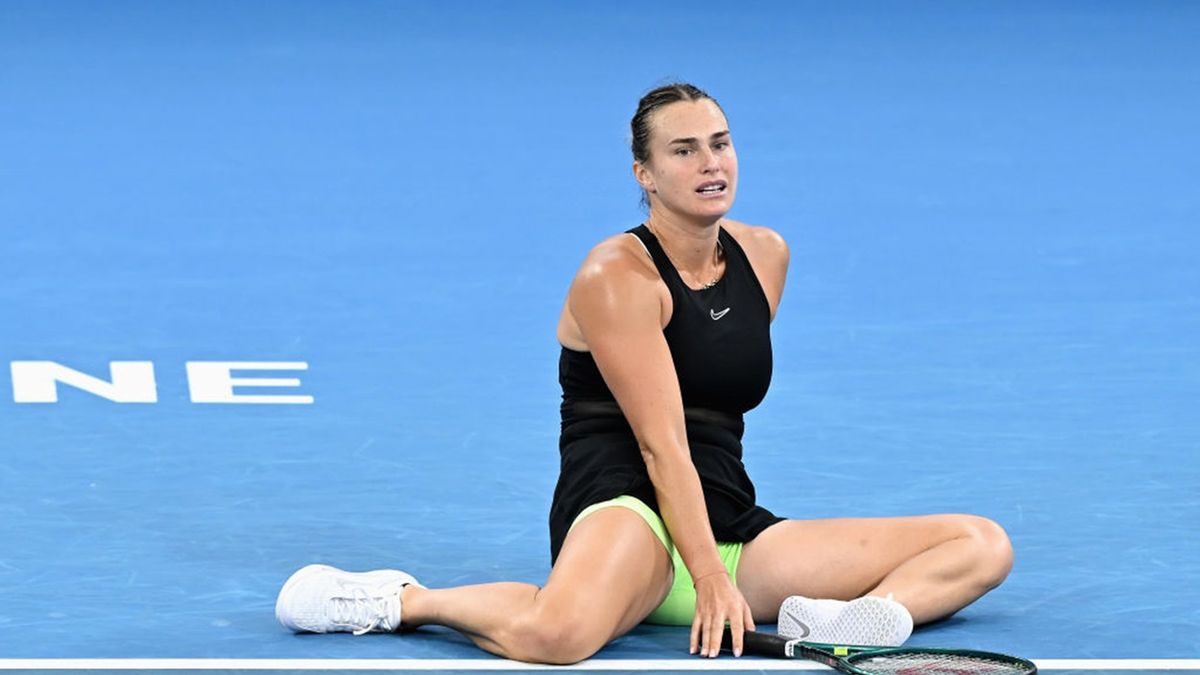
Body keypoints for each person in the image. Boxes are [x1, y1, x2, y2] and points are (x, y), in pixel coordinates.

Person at [274, 83, 1015, 664]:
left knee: (980, 543)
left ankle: (854, 621)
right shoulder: (615, 276)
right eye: (684, 151)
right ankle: (403, 599)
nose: (710, 164)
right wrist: (711, 580)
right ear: (646, 173)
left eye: (721, 145)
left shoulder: (767, 253)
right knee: (558, 635)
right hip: (625, 507)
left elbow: (719, 403)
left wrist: (730, 567)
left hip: (726, 518)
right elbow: (662, 445)